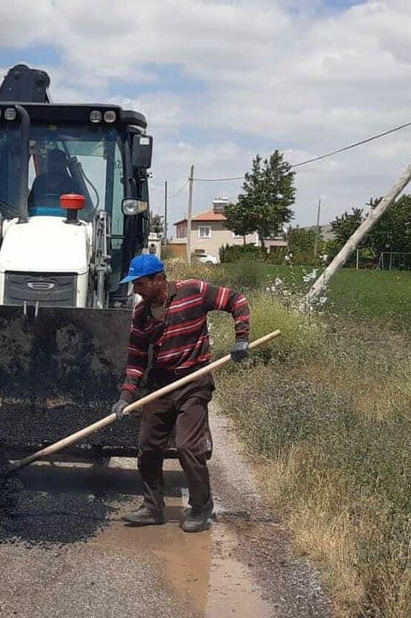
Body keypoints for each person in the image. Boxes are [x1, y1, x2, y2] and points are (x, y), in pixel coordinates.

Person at [110, 253, 251, 532]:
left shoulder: (194, 291)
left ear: (158, 279)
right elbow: (137, 360)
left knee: (189, 447)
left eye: (139, 284)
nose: (136, 291)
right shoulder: (141, 314)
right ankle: (152, 507)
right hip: (161, 385)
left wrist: (242, 339)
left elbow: (237, 301)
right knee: (148, 447)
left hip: (194, 381)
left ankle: (201, 507)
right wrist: (126, 396)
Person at [29, 149, 84, 215]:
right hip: (38, 218)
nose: (54, 164)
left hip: (65, 220)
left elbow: (80, 207)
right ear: (48, 163)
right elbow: (30, 204)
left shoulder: (71, 184)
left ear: (64, 164)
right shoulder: (39, 181)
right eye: (52, 161)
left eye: (58, 161)